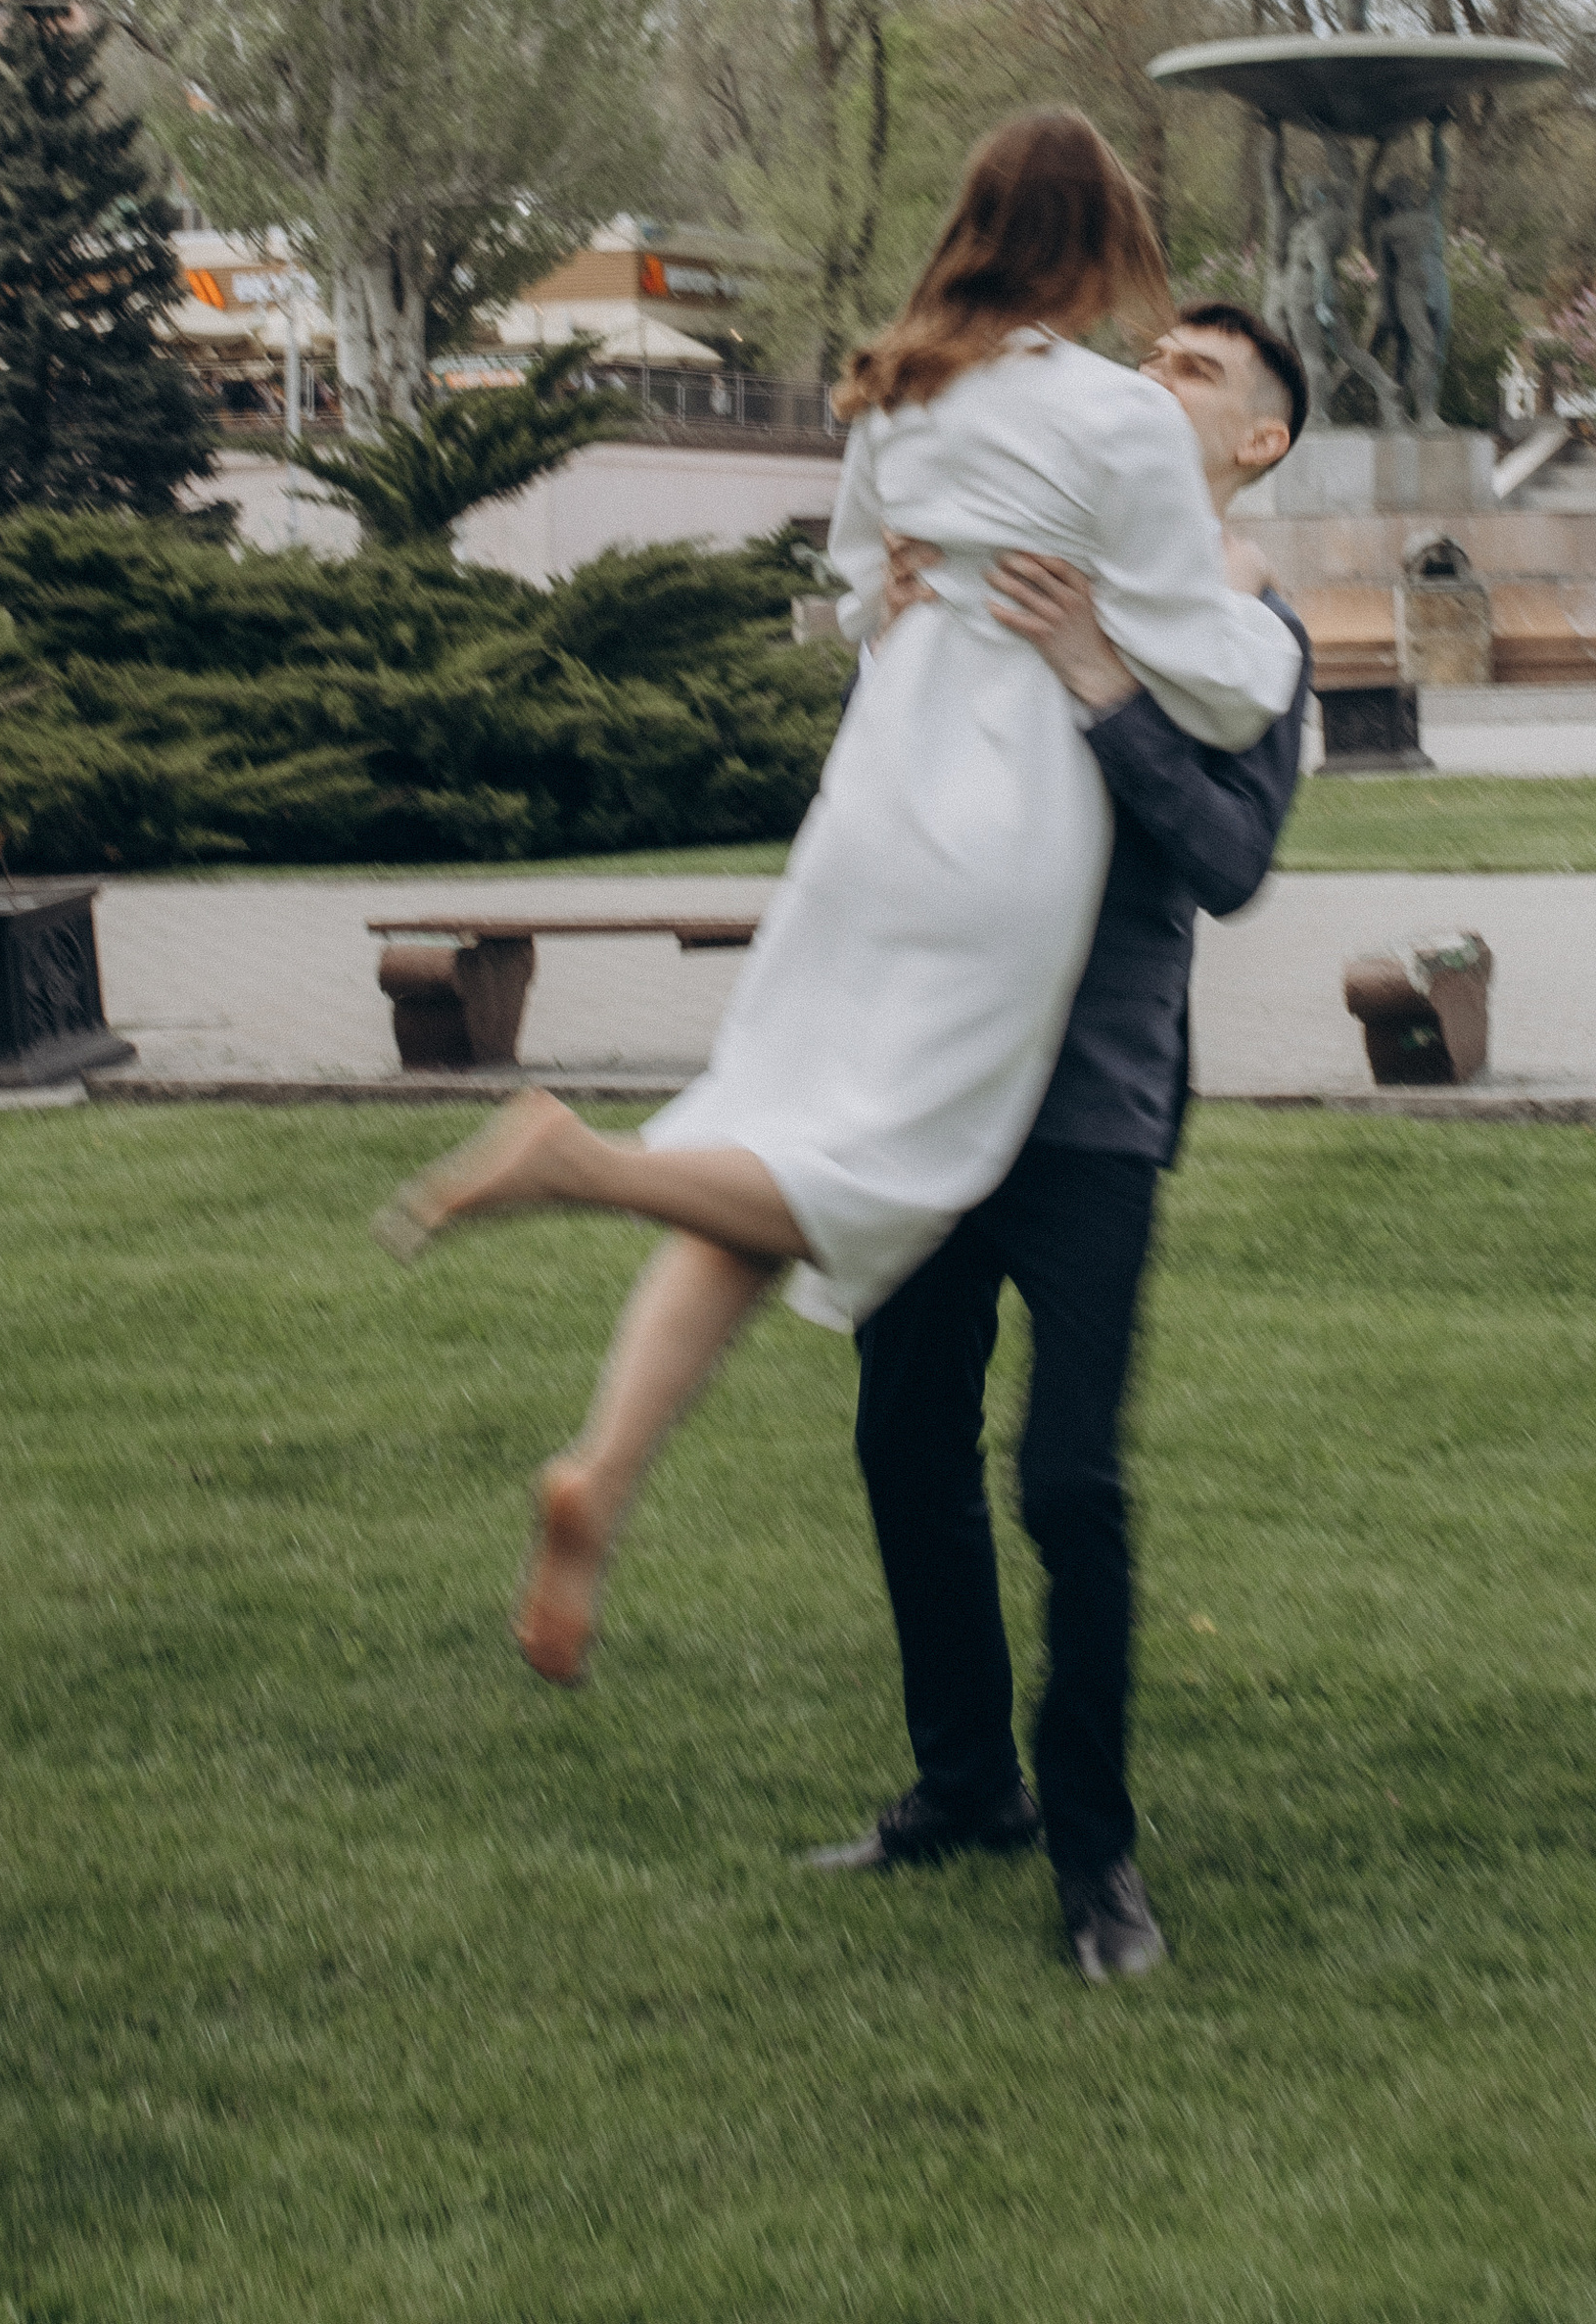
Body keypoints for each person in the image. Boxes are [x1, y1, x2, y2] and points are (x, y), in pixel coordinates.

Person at [374, 114, 1302, 1707]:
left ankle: (606, 1463)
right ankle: (586, 1165)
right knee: (884, 1175)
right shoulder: (1118, 426)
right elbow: (1201, 672)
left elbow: (868, 593)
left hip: (872, 810)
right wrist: (1275, 640)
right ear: (1094, 250)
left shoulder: (897, 395)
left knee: (778, 1126)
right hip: (1006, 836)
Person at [807, 301, 1312, 1985]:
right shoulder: (987, 560)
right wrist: (885, 642)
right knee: (904, 1446)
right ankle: (968, 1788)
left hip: (1090, 1108)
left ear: (1259, 445)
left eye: (1198, 373)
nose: (1150, 378)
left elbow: (1233, 863)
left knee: (1070, 1482)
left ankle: (1098, 1859)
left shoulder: (1244, 634)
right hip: (933, 1089)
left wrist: (1105, 682)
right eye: (1149, 353)